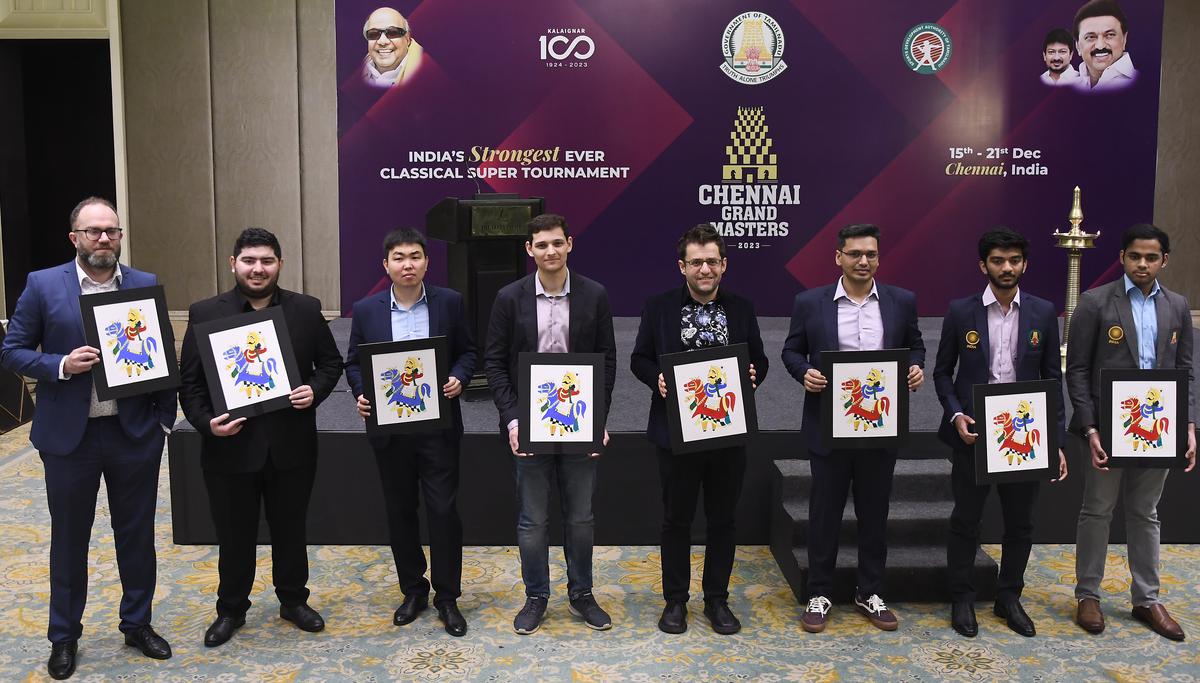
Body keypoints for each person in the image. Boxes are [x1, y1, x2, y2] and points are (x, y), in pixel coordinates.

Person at [0, 197, 176, 680]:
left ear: (120, 237)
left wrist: (164, 420)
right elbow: (12, 350)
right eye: (93, 231)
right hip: (69, 439)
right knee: (69, 539)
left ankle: (137, 624)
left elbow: (163, 357)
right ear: (74, 237)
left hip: (133, 433)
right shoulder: (43, 286)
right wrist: (58, 365)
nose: (104, 238)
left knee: (136, 536)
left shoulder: (142, 284)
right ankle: (64, 637)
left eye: (112, 231)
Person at [179, 228, 342, 647]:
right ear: (233, 263)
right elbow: (190, 385)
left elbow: (330, 364)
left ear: (280, 265)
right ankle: (231, 609)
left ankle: (293, 600)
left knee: (291, 529)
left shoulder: (306, 310)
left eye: (267, 261)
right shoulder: (205, 312)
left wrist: (315, 390)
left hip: (292, 445)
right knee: (234, 534)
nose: (258, 269)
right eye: (249, 260)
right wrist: (205, 423)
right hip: (229, 447)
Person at [781, 223, 925, 633]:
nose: (864, 261)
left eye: (871, 254)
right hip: (829, 425)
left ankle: (870, 590)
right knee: (824, 513)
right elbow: (791, 350)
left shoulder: (901, 301)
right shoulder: (810, 303)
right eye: (855, 254)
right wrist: (804, 372)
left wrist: (916, 367)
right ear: (838, 257)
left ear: (879, 257)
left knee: (875, 513)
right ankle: (820, 592)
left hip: (881, 423)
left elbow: (916, 345)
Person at [630, 224, 768, 635]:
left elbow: (759, 358)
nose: (704, 269)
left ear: (724, 265)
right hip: (675, 433)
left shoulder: (742, 308)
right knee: (676, 520)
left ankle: (716, 600)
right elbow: (639, 358)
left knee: (723, 520)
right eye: (696, 262)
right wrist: (655, 377)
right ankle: (675, 601)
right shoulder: (658, 307)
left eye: (711, 261)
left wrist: (753, 373)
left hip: (728, 430)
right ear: (682, 266)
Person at [484, 213, 616, 635]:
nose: (550, 251)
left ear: (570, 244)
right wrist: (512, 421)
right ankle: (536, 595)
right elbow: (495, 364)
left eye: (557, 243)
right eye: (541, 245)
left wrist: (597, 420)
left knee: (580, 518)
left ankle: (581, 594)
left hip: (579, 422)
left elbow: (607, 361)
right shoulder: (509, 298)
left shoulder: (595, 295)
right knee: (532, 520)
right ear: (529, 250)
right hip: (530, 426)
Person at [933, 228, 1068, 638]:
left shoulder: (1044, 313)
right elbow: (942, 373)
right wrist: (956, 414)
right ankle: (962, 597)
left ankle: (1009, 597)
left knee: (1021, 523)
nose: (1006, 268)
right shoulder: (961, 311)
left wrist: (1057, 442)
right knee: (966, 520)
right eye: (997, 261)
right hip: (974, 431)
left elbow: (1051, 378)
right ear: (983, 265)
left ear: (1024, 264)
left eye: (1013, 261)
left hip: (1026, 432)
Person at [1066, 223, 1195, 641]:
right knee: (1097, 511)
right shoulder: (1095, 302)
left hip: (1157, 429)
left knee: (1146, 513)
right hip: (1106, 430)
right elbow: (1079, 369)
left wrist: (1189, 426)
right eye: (1135, 256)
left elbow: (1185, 373)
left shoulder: (1177, 306)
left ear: (1164, 261)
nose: (1143, 264)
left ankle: (1147, 599)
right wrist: (1088, 428)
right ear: (1122, 257)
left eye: (1151, 257)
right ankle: (1088, 595)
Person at [344, 228, 476, 637]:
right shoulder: (366, 310)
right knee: (400, 512)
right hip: (390, 431)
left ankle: (447, 596)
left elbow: (469, 351)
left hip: (438, 428)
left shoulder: (449, 303)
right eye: (399, 257)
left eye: (415, 256)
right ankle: (413, 590)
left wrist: (458, 377)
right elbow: (353, 363)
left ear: (426, 262)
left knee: (443, 512)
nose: (408, 264)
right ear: (386, 265)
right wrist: (362, 393)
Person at [1072, 0, 1137, 92]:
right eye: (1090, 37)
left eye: (1109, 35)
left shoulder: (1146, 86)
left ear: (1124, 39)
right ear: (1077, 46)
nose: (1100, 46)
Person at [362, 7, 423, 87]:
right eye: (374, 34)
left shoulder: (426, 73)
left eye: (393, 33)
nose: (382, 42)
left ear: (407, 39)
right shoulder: (356, 74)